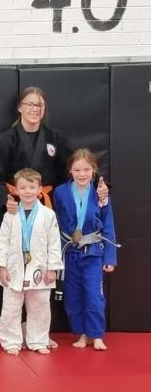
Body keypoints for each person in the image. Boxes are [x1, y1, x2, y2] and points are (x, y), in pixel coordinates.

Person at [0, 86, 109, 348]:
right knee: (15, 278)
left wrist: (99, 186)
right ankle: (13, 335)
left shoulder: (55, 138)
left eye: (39, 105)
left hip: (46, 207)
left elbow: (76, 170)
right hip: (16, 208)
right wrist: (7, 201)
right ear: (19, 108)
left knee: (41, 276)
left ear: (44, 110)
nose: (34, 109)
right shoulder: (6, 139)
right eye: (29, 104)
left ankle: (38, 334)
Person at [53, 149, 118, 350]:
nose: (82, 174)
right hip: (69, 252)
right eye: (77, 170)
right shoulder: (60, 192)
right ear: (70, 171)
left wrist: (110, 257)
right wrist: (54, 256)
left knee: (93, 295)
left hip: (93, 253)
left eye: (86, 170)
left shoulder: (101, 193)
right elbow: (55, 224)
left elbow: (108, 225)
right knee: (73, 297)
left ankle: (96, 335)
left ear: (94, 170)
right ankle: (82, 334)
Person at [0, 168, 63, 355]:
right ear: (15, 190)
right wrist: (2, 267)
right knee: (11, 308)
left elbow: (54, 243)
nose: (27, 191)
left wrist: (53, 268)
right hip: (14, 268)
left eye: (32, 187)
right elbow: (3, 242)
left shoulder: (48, 214)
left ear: (40, 189)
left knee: (40, 307)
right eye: (23, 188)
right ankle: (11, 341)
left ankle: (38, 341)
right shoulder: (10, 214)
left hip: (40, 267)